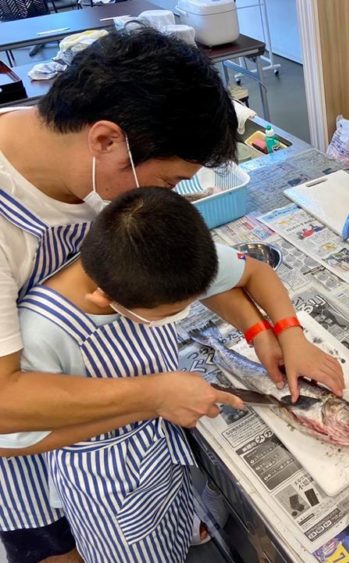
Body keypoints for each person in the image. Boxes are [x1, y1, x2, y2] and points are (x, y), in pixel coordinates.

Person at [0, 29, 343, 562]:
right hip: (32, 442)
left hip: (124, 426)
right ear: (107, 141)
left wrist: (274, 331)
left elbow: (180, 273)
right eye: (168, 181)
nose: (166, 199)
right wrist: (156, 395)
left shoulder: (96, 173)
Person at [2, 188, 257, 561]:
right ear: (105, 299)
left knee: (173, 535)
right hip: (110, 493)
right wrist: (153, 404)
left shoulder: (143, 269)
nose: (176, 319)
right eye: (170, 314)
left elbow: (248, 271)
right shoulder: (44, 332)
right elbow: (15, 441)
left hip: (163, 457)